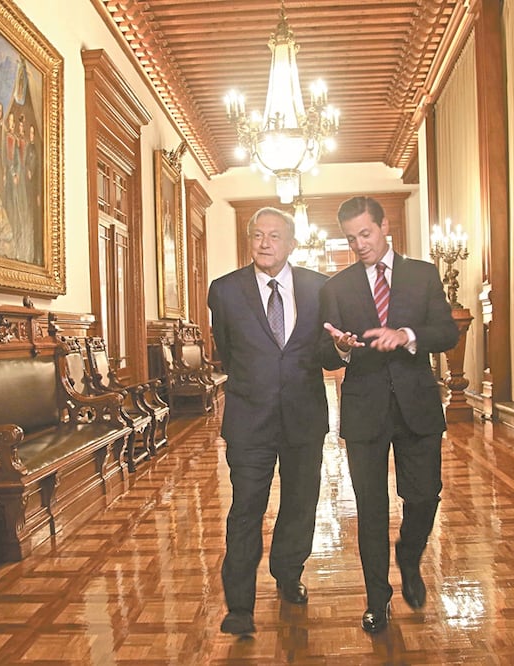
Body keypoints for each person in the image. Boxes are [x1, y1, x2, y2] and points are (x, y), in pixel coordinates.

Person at [319, 196, 458, 634]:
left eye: (366, 233)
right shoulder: (337, 287)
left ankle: (410, 555)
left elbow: (448, 332)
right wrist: (340, 346)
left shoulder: (422, 274)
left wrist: (407, 335)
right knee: (371, 509)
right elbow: (326, 348)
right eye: (351, 238)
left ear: (383, 229)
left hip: (417, 405)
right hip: (364, 410)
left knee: (424, 496)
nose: (360, 244)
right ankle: (377, 599)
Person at [208, 207, 329, 636]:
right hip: (249, 420)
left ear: (291, 243)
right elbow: (227, 349)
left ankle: (287, 571)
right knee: (245, 510)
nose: (264, 243)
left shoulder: (319, 288)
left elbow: (326, 353)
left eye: (274, 236)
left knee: (300, 504)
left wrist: (346, 351)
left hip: (304, 417)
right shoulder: (223, 291)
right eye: (257, 235)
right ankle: (239, 607)